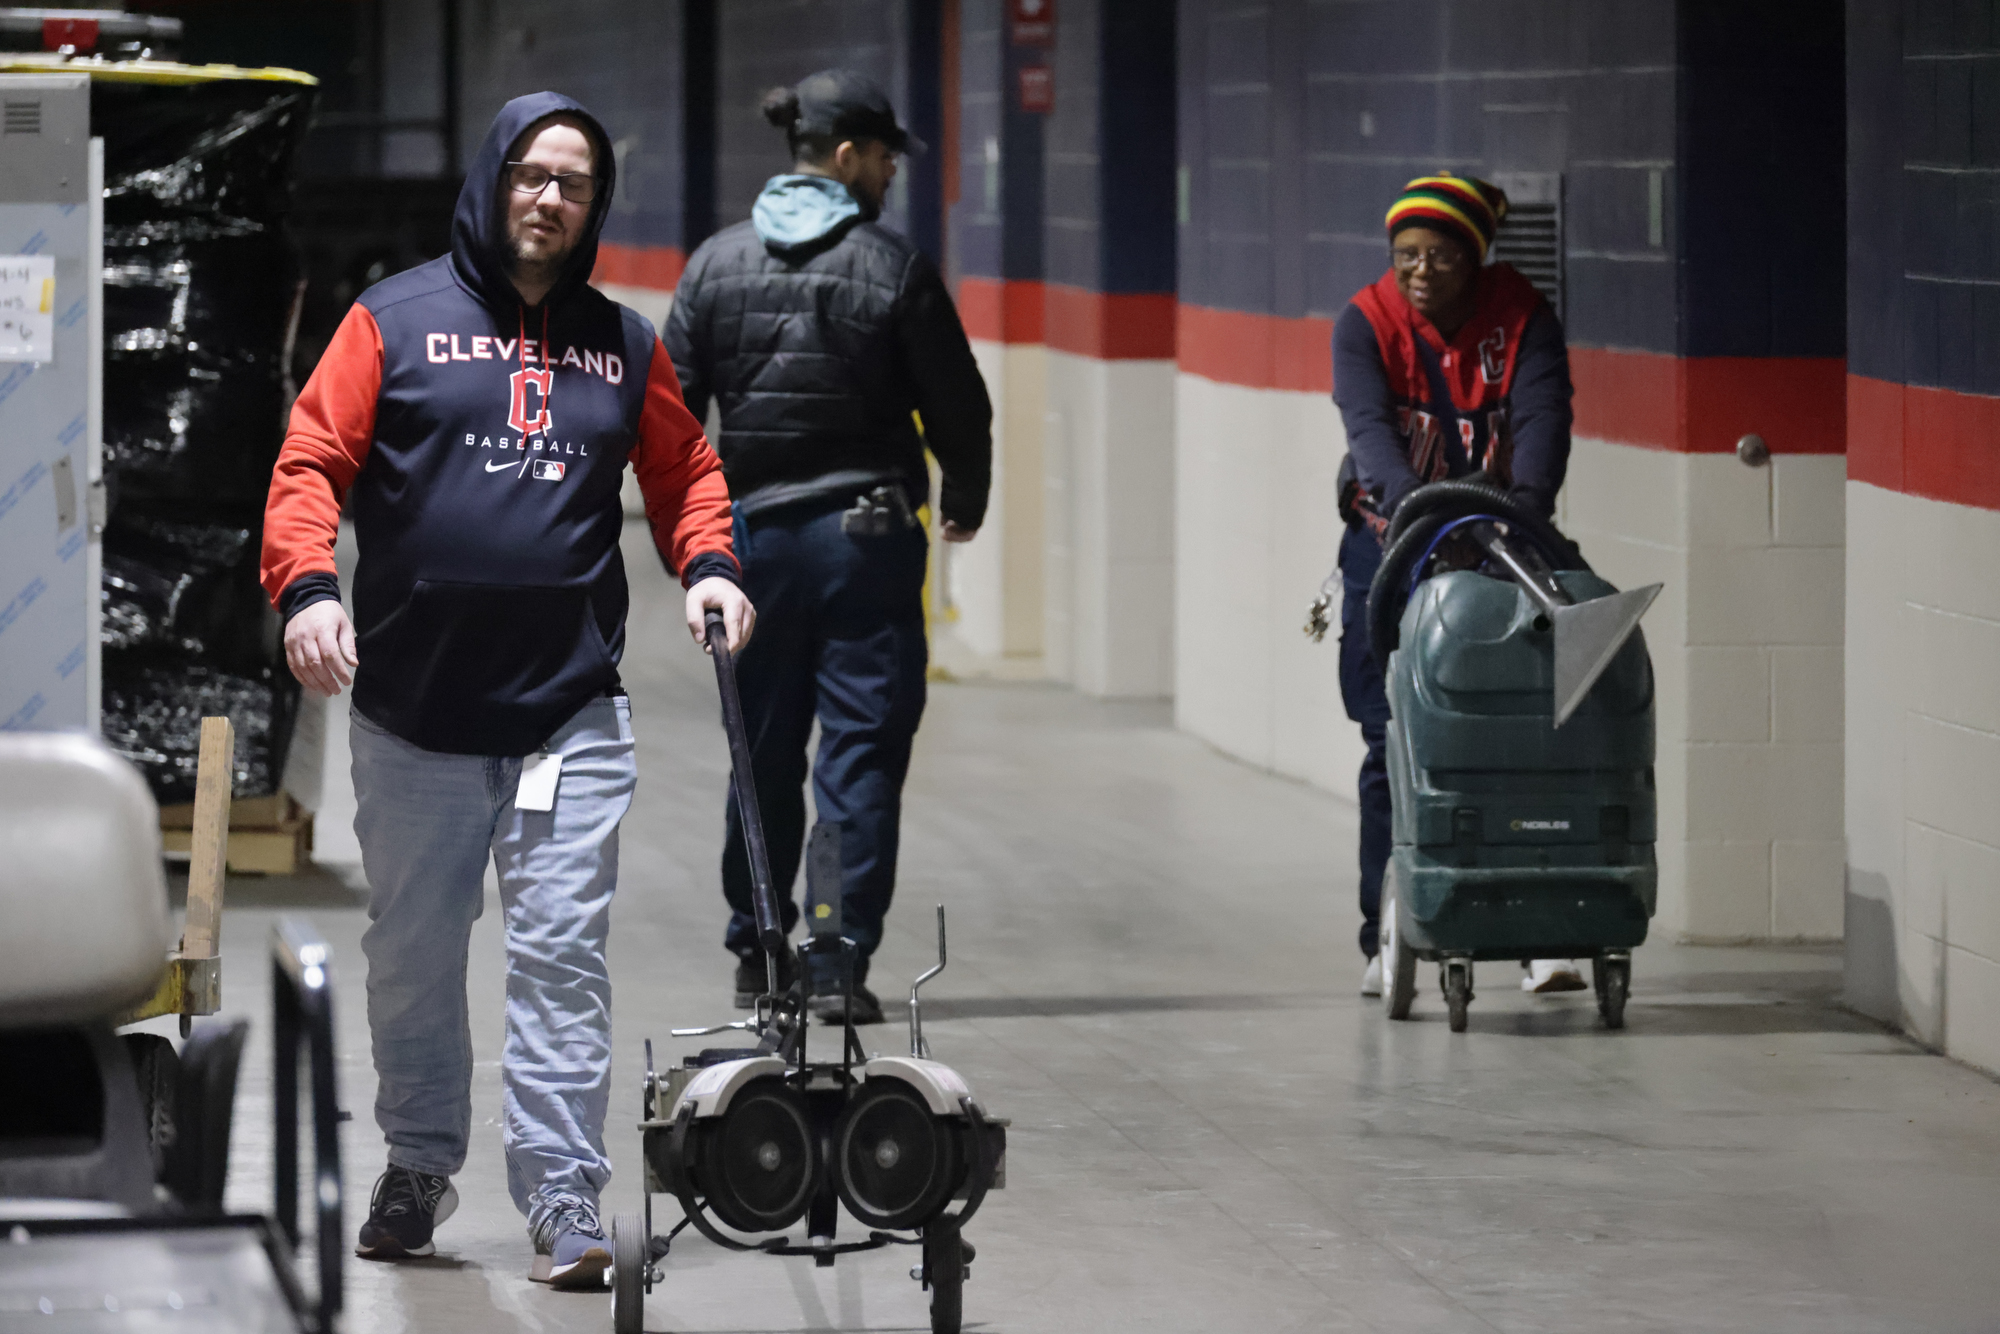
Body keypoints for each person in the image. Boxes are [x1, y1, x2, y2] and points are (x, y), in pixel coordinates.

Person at [261, 93, 752, 1287]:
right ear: (494, 179)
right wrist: (309, 589)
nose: (549, 199)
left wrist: (712, 565)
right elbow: (309, 461)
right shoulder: (394, 319)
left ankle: (564, 1194)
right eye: (532, 174)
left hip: (566, 713)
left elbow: (685, 466)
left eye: (573, 184)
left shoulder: (624, 342)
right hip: (415, 717)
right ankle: (420, 1163)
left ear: (593, 206)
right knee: (416, 958)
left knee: (560, 956)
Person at [665, 69, 992, 1025]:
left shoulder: (713, 267)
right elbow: (957, 402)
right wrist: (966, 496)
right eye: (886, 158)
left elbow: (671, 419)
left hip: (751, 546)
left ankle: (759, 951)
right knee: (857, 752)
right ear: (846, 156)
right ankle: (835, 961)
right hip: (866, 542)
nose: (891, 174)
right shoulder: (892, 267)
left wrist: (690, 544)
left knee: (759, 749)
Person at [1329, 173, 1582, 997]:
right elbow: (1369, 430)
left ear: (1475, 257)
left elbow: (1545, 423)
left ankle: (1545, 932)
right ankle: (1386, 930)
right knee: (1388, 740)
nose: (1421, 271)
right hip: (1392, 547)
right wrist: (1421, 516)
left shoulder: (1523, 319)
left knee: (1529, 734)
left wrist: (1517, 516)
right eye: (1406, 255)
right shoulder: (1365, 324)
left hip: (1501, 546)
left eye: (1440, 255)